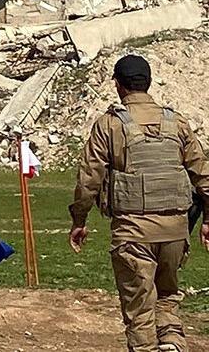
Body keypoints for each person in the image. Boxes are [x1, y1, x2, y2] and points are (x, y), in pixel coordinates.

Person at [69, 54, 209, 352]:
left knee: (139, 311)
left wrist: (79, 221)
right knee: (167, 299)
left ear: (118, 86)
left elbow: (89, 179)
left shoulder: (109, 125)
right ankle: (172, 345)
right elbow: (203, 176)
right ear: (149, 83)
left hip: (133, 234)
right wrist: (207, 219)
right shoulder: (177, 123)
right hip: (174, 232)